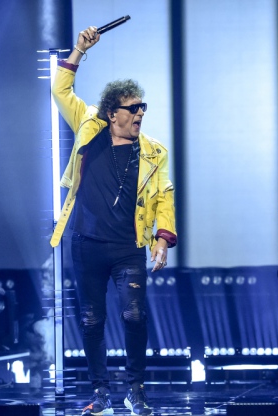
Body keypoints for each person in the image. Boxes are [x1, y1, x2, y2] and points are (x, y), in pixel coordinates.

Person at [50, 25, 177, 416]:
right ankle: (100, 391)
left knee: (134, 314)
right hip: (86, 244)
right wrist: (79, 50)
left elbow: (164, 195)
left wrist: (162, 239)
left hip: (128, 247)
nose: (140, 113)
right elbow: (60, 90)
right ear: (112, 113)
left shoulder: (154, 152)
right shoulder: (90, 125)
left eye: (143, 108)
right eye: (132, 108)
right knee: (91, 319)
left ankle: (135, 390)